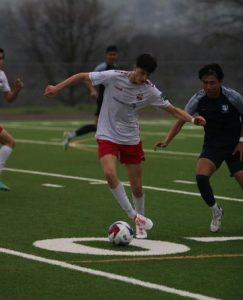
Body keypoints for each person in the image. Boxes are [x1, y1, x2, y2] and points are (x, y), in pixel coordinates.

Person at [44, 53, 205, 238]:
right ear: (134, 66)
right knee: (109, 173)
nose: (143, 77)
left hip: (131, 139)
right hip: (107, 134)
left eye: (147, 75)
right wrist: (56, 88)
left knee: (137, 188)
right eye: (142, 72)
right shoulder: (114, 76)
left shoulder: (150, 90)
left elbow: (174, 110)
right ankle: (135, 217)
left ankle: (140, 223)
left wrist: (193, 119)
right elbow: (82, 76)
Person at [155, 63, 243, 233]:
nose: (208, 86)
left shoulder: (233, 97)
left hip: (235, 147)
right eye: (205, 83)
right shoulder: (197, 99)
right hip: (212, 146)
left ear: (220, 81)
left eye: (212, 82)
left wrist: (241, 141)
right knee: (201, 177)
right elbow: (181, 119)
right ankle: (216, 211)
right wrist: (167, 140)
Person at [63, 45, 119, 150]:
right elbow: (87, 78)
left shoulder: (116, 67)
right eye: (110, 54)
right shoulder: (102, 67)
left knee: (101, 126)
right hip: (103, 100)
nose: (112, 56)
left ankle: (72, 135)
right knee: (103, 126)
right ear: (106, 55)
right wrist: (93, 90)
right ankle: (108, 150)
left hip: (112, 101)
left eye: (114, 54)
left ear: (117, 55)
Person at [0, 48, 24, 191]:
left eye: (2, 58)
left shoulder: (2, 75)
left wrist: (17, 90)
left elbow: (9, 98)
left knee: (9, 142)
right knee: (10, 142)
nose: (0, 61)